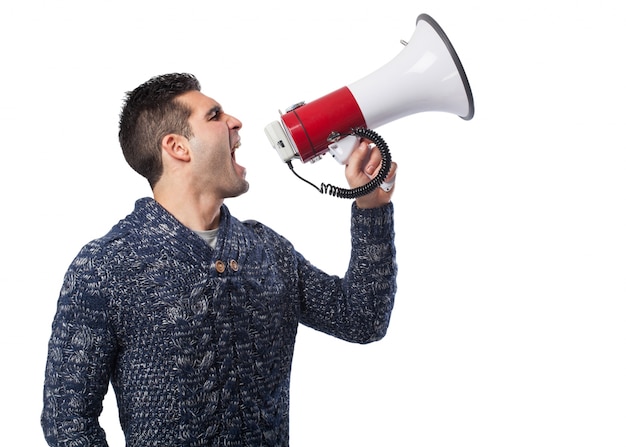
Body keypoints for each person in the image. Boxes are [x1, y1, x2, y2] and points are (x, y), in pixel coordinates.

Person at [41, 72, 398, 446]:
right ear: (177, 147)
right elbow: (68, 420)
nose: (235, 122)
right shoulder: (105, 267)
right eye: (214, 116)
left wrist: (371, 207)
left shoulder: (267, 250)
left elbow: (362, 320)